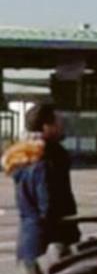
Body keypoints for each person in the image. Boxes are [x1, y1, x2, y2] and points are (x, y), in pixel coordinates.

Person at [4, 103, 79, 264]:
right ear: (46, 127)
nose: (62, 125)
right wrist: (69, 235)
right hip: (49, 246)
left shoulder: (23, 156)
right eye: (58, 121)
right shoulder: (47, 161)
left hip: (28, 240)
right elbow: (50, 207)